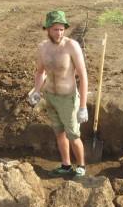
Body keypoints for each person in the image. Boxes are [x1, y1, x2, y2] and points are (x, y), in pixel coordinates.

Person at [29, 10, 89, 177]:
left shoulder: (71, 46)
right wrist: (36, 91)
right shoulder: (42, 48)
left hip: (67, 99)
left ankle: (81, 165)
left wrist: (83, 106)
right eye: (55, 29)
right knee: (59, 133)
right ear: (47, 29)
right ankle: (66, 164)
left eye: (62, 29)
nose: (59, 33)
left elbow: (83, 76)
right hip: (50, 97)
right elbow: (40, 72)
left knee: (73, 135)